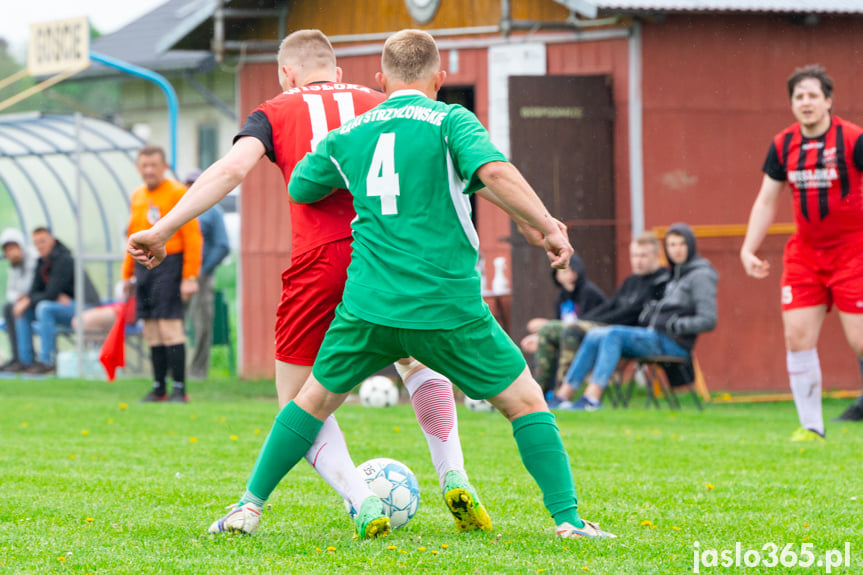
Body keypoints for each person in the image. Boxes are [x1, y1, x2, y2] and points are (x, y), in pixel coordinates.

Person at [128, 30, 495, 539]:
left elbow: (233, 168)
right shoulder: (380, 101)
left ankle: (361, 499)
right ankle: (453, 472)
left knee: (297, 400)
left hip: (319, 261)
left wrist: (164, 227)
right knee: (416, 360)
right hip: (386, 257)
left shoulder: (274, 109)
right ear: (340, 73)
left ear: (287, 74)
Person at [740, 65, 863, 437]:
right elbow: (766, 200)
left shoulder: (853, 139)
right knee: (797, 337)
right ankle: (811, 427)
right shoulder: (783, 145)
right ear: (792, 104)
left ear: (828, 101)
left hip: (854, 250)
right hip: (806, 255)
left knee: (860, 340)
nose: (805, 102)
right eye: (798, 96)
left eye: (812, 95)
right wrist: (748, 248)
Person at [550, 223, 717, 411]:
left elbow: (708, 320)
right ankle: (563, 397)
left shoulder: (700, 275)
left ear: (691, 246)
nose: (676, 250)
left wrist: (674, 324)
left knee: (612, 334)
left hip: (673, 342)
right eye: (671, 245)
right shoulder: (677, 274)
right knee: (595, 334)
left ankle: (592, 399)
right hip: (653, 336)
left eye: (681, 244)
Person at [533, 231, 667, 396]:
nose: (638, 261)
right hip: (606, 329)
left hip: (629, 335)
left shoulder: (661, 281)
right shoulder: (632, 280)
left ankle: (562, 394)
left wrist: (581, 323)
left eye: (643, 256)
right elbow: (610, 306)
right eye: (635, 255)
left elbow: (629, 314)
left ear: (657, 255)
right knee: (549, 329)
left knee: (573, 330)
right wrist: (583, 320)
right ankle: (538, 394)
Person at [123, 145, 202, 403]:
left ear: (164, 167)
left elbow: (192, 237)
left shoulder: (179, 192)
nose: (148, 170)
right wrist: (127, 276)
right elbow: (132, 236)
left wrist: (189, 277)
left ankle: (179, 388)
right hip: (143, 266)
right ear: (137, 168)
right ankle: (159, 388)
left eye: (153, 165)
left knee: (170, 327)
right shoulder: (137, 195)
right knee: (151, 329)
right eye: (143, 165)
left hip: (170, 264)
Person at [13, 227, 101, 374]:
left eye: (43, 241)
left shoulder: (64, 259)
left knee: (44, 308)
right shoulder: (41, 262)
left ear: (52, 241)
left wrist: (36, 298)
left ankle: (47, 361)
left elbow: (50, 292)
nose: (40, 246)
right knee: (24, 310)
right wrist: (33, 299)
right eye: (36, 243)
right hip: (61, 308)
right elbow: (37, 291)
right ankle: (26, 362)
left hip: (85, 307)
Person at [183, 169, 231, 380]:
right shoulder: (178, 209)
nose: (192, 187)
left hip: (200, 276)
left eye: (196, 183)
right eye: (189, 184)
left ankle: (197, 372)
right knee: (172, 323)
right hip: (177, 275)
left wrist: (202, 270)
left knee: (201, 324)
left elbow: (222, 245)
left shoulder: (212, 211)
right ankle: (174, 370)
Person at [519, 252, 606, 355]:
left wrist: (547, 325)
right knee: (539, 335)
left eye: (573, 271)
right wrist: (538, 336)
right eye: (565, 272)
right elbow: (560, 324)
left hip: (589, 338)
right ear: (557, 276)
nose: (570, 276)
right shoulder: (561, 297)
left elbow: (584, 323)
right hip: (569, 338)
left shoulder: (589, 292)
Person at [1, 228, 38, 372]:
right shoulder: (14, 266)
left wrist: (24, 298)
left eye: (13, 247)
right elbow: (11, 291)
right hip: (21, 304)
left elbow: (34, 285)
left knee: (18, 310)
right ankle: (16, 357)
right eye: (7, 249)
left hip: (33, 302)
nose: (11, 252)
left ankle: (26, 359)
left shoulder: (33, 259)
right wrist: (19, 299)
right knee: (8, 307)